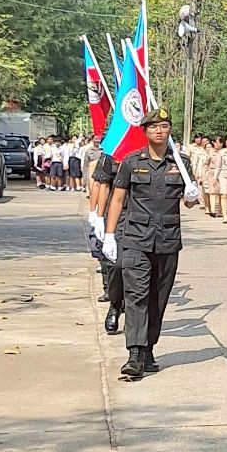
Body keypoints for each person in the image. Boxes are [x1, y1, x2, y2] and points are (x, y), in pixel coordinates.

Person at [104, 105, 201, 381]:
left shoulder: (181, 163)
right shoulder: (132, 161)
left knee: (158, 298)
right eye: (154, 127)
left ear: (170, 130)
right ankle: (134, 353)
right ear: (145, 132)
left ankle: (148, 349)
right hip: (136, 238)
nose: (159, 130)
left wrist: (193, 195)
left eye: (164, 126)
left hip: (168, 240)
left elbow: (189, 203)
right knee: (136, 295)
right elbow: (118, 199)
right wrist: (109, 234)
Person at [88, 142, 124, 333]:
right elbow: (102, 185)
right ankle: (115, 304)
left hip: (144, 217)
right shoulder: (112, 155)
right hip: (117, 216)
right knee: (115, 265)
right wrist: (97, 215)